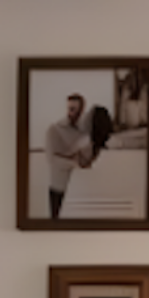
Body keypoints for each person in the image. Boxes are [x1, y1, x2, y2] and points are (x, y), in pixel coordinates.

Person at [44, 92, 93, 220]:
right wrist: (75, 163)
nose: (71, 112)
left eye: (75, 109)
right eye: (70, 108)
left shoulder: (84, 131)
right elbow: (51, 159)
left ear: (82, 110)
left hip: (80, 188)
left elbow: (86, 159)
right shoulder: (54, 129)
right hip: (59, 187)